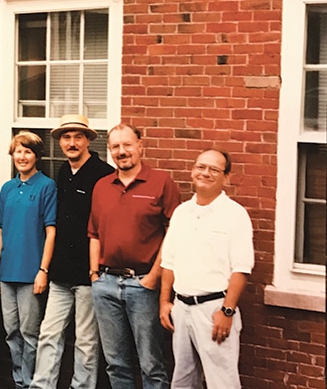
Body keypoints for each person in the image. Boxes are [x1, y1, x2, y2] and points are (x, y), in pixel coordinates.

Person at [88, 123, 181, 389]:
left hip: (143, 285)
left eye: (127, 145)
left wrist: (153, 277)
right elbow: (93, 233)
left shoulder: (161, 182)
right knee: (116, 363)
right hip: (105, 284)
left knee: (151, 363)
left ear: (140, 145)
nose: (122, 151)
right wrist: (94, 274)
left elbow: (174, 234)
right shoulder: (102, 186)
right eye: (115, 147)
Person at [31, 115, 115, 389]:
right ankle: (42, 385)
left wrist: (96, 269)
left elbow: (105, 225)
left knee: (86, 341)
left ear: (89, 140)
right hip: (60, 273)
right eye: (66, 137)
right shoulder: (64, 173)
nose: (72, 142)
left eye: (78, 136)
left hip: (88, 274)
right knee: (49, 334)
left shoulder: (103, 174)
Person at [160, 149, 254, 388]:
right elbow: (168, 262)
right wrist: (165, 302)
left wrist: (227, 311)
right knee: (182, 381)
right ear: (193, 171)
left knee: (222, 382)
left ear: (226, 177)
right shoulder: (181, 213)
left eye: (214, 169)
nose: (205, 173)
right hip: (181, 310)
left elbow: (241, 269)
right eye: (201, 167)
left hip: (215, 310)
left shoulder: (235, 214)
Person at [0, 131, 57, 389]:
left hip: (31, 272)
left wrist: (43, 269)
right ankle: (19, 380)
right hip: (7, 272)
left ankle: (31, 382)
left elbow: (51, 231)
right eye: (18, 151)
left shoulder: (46, 186)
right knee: (11, 331)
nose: (22, 156)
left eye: (27, 151)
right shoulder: (8, 188)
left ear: (36, 156)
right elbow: (0, 231)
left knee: (31, 333)